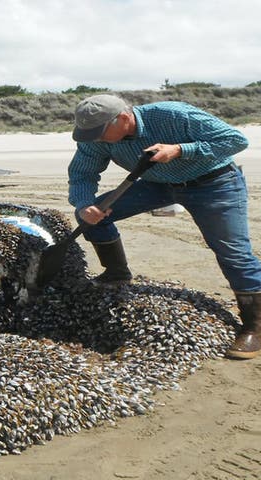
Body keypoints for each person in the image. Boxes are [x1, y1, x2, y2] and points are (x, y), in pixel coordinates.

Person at [66, 94, 261, 360]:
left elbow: (235, 140)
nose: (96, 139)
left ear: (123, 118)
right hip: (155, 185)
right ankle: (116, 273)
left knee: (232, 252)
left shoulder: (173, 115)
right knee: (91, 216)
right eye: (90, 134)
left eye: (100, 132)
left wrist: (180, 150)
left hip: (214, 184)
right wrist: (83, 204)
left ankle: (254, 326)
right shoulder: (96, 140)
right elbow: (82, 174)